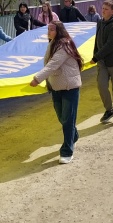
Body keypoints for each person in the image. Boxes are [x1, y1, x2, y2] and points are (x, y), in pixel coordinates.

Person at [30, 21, 83, 163]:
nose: (49, 32)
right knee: (63, 118)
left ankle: (67, 151)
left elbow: (53, 65)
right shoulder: (52, 43)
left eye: (51, 29)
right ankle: (74, 135)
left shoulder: (64, 45)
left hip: (69, 87)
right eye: (48, 29)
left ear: (58, 31)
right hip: (56, 87)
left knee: (68, 120)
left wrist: (37, 79)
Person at [90, 0, 113, 126]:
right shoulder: (100, 22)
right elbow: (97, 40)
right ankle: (109, 110)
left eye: (106, 9)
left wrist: (95, 58)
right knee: (102, 85)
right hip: (102, 62)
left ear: (112, 11)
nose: (103, 10)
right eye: (103, 8)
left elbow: (109, 46)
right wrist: (95, 54)